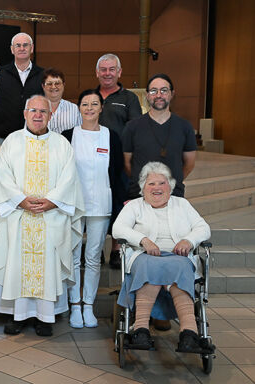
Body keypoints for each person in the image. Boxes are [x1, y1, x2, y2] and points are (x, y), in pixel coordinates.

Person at [0, 95, 84, 337]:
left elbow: (69, 176)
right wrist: (20, 200)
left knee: (47, 265)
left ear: (51, 116)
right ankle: (17, 316)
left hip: (50, 216)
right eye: (33, 110)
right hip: (19, 216)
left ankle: (45, 317)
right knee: (17, 265)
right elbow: (3, 174)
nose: (38, 115)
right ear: (25, 113)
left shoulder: (62, 143)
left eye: (43, 111)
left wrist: (52, 201)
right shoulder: (12, 141)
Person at [113, 162, 213, 354]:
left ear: (171, 186)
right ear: (143, 187)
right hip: (144, 256)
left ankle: (189, 333)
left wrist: (189, 240)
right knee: (148, 265)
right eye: (151, 184)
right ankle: (141, 329)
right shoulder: (135, 206)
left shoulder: (182, 204)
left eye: (162, 183)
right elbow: (118, 229)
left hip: (178, 256)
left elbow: (203, 228)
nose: (157, 188)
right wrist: (144, 240)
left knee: (182, 266)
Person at [61, 89, 126, 329]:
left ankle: (88, 304)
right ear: (79, 108)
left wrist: (120, 206)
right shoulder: (68, 136)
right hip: (74, 205)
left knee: (93, 257)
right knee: (73, 256)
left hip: (101, 204)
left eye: (94, 104)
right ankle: (74, 304)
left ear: (101, 108)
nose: (89, 108)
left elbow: (118, 174)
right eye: (85, 104)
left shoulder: (111, 137)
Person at [95, 53, 142, 270]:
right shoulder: (91, 96)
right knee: (96, 205)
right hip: (94, 162)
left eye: (111, 69)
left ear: (119, 72)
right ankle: (95, 249)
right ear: (97, 73)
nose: (107, 73)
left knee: (118, 205)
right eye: (103, 69)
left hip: (120, 162)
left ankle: (115, 249)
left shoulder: (129, 98)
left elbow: (135, 130)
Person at [123, 73, 197, 199]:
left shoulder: (185, 127)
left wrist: (171, 181)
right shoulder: (132, 127)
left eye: (164, 90)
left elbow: (189, 164)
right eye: (153, 91)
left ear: (171, 94)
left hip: (173, 195)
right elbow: (127, 164)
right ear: (147, 95)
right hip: (140, 195)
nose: (158, 95)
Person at [0, 32, 44, 141]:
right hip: (3, 137)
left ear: (32, 48)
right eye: (18, 45)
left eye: (25, 45)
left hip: (35, 136)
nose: (22, 48)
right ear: (12, 49)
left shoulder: (43, 75)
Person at [42, 68, 81, 133]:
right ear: (43, 86)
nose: (53, 87)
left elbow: (79, 134)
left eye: (57, 83)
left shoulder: (74, 109)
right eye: (49, 84)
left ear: (63, 85)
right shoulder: (35, 108)